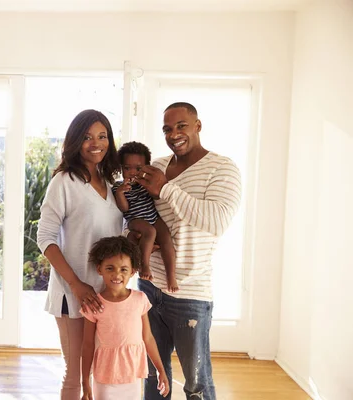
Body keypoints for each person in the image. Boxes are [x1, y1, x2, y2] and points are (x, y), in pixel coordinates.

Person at [135, 102, 242, 399]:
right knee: (152, 376)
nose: (174, 134)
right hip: (148, 286)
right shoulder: (155, 167)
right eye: (167, 129)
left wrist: (166, 189)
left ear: (197, 125)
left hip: (190, 292)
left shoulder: (222, 168)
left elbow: (216, 221)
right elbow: (137, 213)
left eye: (181, 125)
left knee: (197, 384)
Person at [37, 109, 124, 399]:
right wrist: (75, 284)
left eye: (102, 136)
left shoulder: (112, 183)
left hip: (105, 294)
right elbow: (45, 238)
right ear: (75, 141)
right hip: (72, 293)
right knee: (75, 374)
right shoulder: (64, 182)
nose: (96, 143)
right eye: (87, 137)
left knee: (97, 372)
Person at [80, 236, 169, 400]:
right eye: (110, 268)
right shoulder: (93, 305)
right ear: (99, 269)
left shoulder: (140, 299)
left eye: (123, 269)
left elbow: (148, 338)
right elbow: (87, 344)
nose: (117, 274)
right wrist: (85, 380)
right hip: (105, 374)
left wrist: (160, 370)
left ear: (133, 272)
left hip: (132, 372)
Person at [112, 141, 178, 292]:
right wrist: (121, 193)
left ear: (147, 167)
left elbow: (157, 198)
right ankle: (144, 265)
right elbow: (124, 208)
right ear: (121, 168)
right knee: (150, 232)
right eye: (127, 168)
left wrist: (151, 186)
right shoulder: (118, 187)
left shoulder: (146, 182)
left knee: (166, 238)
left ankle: (171, 276)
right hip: (135, 220)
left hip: (152, 217)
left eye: (138, 168)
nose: (132, 172)